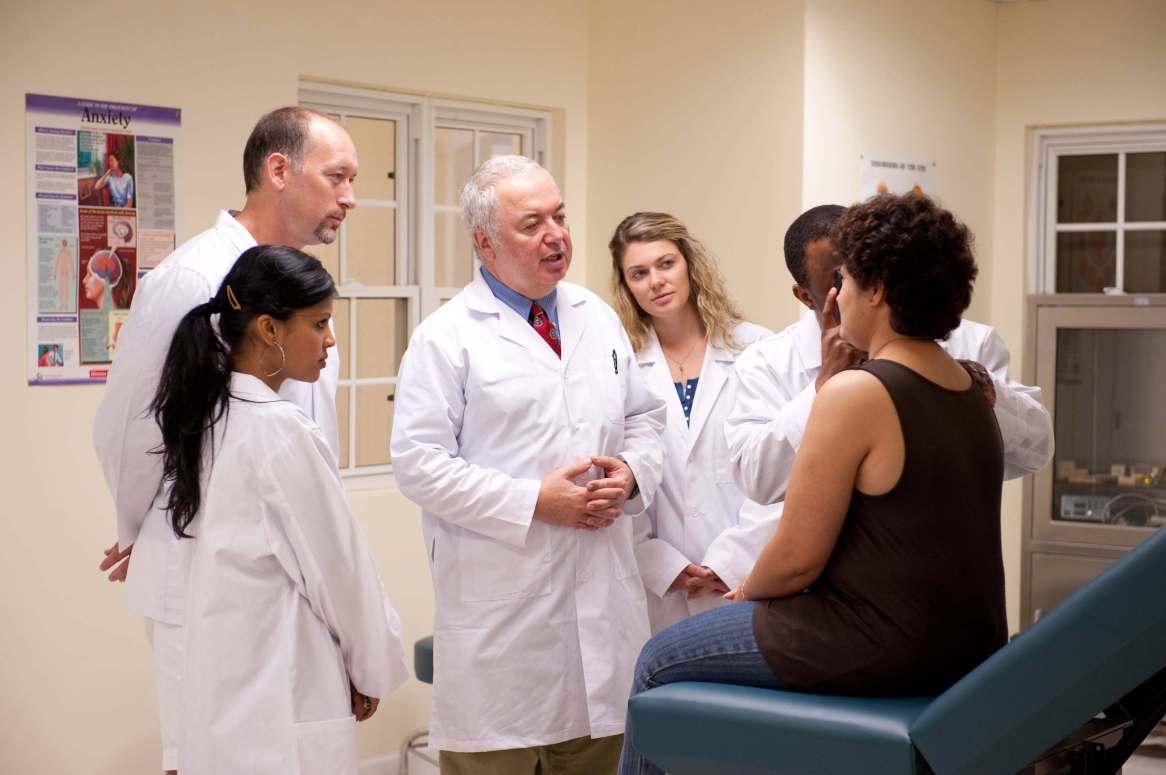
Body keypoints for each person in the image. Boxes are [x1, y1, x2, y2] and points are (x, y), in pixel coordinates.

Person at [620, 194, 1009, 775]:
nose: (834, 298)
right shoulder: (968, 385)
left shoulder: (857, 391)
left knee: (657, 658)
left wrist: (747, 591)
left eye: (844, 280)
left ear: (876, 291)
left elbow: (798, 560)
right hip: (966, 641)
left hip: (880, 641)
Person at [92, 106, 355, 774]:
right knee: (204, 754)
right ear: (278, 171)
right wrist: (142, 526)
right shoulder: (190, 279)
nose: (351, 197)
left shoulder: (299, 288)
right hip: (200, 570)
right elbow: (131, 426)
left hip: (292, 574)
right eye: (338, 177)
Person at [391, 155, 666, 775]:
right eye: (532, 222)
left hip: (604, 617)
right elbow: (418, 462)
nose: (556, 235)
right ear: (484, 241)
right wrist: (534, 501)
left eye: (560, 216)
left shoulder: (596, 316)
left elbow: (646, 418)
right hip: (502, 632)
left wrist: (630, 473)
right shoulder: (446, 338)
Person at [151, 245, 406, 774]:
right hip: (278, 701)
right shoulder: (279, 430)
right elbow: (341, 573)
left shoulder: (211, 417)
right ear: (269, 329)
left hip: (225, 699)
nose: (330, 341)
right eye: (320, 323)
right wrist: (370, 668)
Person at [725, 204, 1053, 508]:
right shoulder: (766, 363)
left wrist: (979, 395)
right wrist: (822, 386)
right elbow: (759, 482)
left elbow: (1037, 449)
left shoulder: (968, 342)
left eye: (868, 269)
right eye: (838, 280)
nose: (867, 286)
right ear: (804, 296)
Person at [608, 212, 777, 632]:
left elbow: (781, 472)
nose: (656, 282)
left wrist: (732, 561)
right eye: (639, 273)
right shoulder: (618, 365)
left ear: (690, 264)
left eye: (667, 264)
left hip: (750, 577)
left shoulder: (755, 349)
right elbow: (617, 475)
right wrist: (661, 566)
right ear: (626, 286)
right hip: (660, 590)